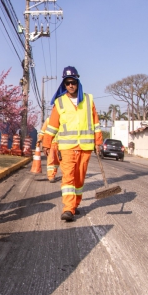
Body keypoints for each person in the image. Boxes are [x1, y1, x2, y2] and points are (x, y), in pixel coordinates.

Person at [41, 66, 103, 222]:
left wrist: (98, 142)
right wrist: (46, 143)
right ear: (64, 84)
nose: (70, 85)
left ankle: (74, 205)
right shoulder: (59, 103)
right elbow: (53, 126)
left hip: (85, 148)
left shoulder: (89, 100)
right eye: (67, 82)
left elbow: (96, 124)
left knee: (79, 179)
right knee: (68, 178)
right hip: (67, 148)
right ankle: (68, 209)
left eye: (73, 82)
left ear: (77, 82)